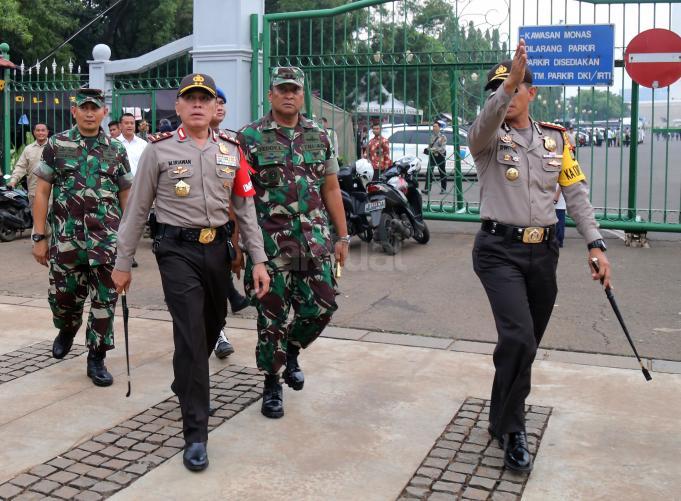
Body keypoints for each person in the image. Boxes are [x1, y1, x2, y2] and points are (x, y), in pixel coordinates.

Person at [112, 73, 270, 472]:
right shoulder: (158, 151)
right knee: (192, 335)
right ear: (179, 107)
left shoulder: (232, 150)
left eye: (205, 98)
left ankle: (185, 378)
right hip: (176, 252)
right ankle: (196, 432)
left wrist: (259, 259)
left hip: (217, 251)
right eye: (190, 98)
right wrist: (122, 262)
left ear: (215, 106)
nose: (198, 105)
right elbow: (136, 210)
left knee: (213, 323)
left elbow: (246, 208)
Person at [468, 40, 611, 472]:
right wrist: (507, 82)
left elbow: (576, 193)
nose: (508, 96)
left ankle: (499, 415)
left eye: (516, 88)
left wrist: (595, 243)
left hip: (544, 252)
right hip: (498, 251)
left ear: (533, 93)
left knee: (524, 343)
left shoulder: (556, 139)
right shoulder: (488, 138)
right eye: (502, 89)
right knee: (519, 338)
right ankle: (514, 429)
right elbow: (482, 126)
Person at [237, 66, 349, 419]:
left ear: (303, 96)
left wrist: (342, 235)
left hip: (313, 242)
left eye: (295, 90)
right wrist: (238, 245)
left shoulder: (320, 135)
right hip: (269, 246)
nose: (289, 95)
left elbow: (331, 188)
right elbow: (239, 196)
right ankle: (272, 382)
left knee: (322, 306)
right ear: (270, 94)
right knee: (271, 314)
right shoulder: (249, 137)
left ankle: (291, 349)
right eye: (282, 89)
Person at [32, 88, 132, 388]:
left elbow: (126, 195)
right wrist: (39, 236)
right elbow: (42, 192)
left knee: (105, 302)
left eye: (95, 108)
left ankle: (96, 357)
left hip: (106, 243)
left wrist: (128, 242)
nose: (90, 113)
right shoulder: (57, 144)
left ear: (104, 112)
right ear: (74, 111)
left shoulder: (116, 149)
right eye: (84, 108)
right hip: (67, 241)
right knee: (63, 299)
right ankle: (67, 327)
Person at [209, 86, 251, 360]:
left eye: (223, 102)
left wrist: (236, 246)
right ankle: (216, 335)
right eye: (215, 101)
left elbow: (237, 203)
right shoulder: (172, 146)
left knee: (214, 290)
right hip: (184, 239)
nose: (220, 107)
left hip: (222, 232)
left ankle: (217, 331)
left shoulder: (232, 145)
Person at [7, 123, 49, 208]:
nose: (40, 133)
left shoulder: (54, 147)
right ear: (34, 132)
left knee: (51, 215)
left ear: (47, 132)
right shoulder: (28, 149)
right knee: (34, 214)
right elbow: (20, 167)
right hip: (33, 190)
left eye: (43, 130)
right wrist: (13, 181)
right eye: (38, 130)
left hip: (51, 191)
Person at [423, 119, 447, 194]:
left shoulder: (442, 137)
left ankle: (443, 189)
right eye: (433, 126)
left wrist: (432, 149)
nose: (434, 128)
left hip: (440, 156)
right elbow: (430, 145)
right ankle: (427, 189)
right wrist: (427, 149)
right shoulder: (432, 136)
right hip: (432, 156)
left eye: (435, 126)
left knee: (442, 172)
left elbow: (442, 148)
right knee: (429, 172)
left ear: (439, 128)